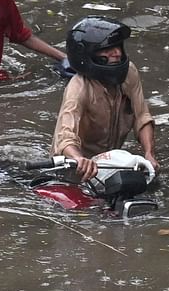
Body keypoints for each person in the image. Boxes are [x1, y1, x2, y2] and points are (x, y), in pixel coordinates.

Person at [51, 16, 158, 182]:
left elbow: (142, 117)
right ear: (87, 55)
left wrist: (149, 154)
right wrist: (79, 159)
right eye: (107, 50)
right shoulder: (78, 88)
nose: (117, 53)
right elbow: (66, 137)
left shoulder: (129, 73)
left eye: (117, 47)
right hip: (75, 168)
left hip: (110, 163)